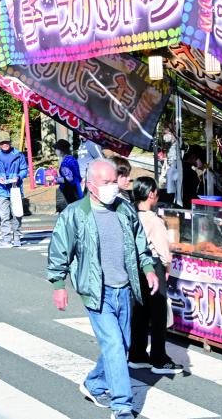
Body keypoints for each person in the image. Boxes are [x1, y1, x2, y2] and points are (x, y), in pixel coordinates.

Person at [47, 158, 159, 418]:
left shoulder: (124, 209)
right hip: (97, 292)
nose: (113, 188)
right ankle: (122, 407)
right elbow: (59, 249)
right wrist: (58, 284)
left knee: (122, 346)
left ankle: (94, 383)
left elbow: (138, 241)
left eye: (114, 181)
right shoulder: (75, 213)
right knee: (114, 346)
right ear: (90, 184)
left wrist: (148, 269)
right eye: (106, 183)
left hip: (124, 289)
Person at [128, 177, 183, 375]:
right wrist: (167, 267)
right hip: (154, 264)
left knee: (140, 311)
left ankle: (137, 354)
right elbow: (163, 250)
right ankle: (159, 358)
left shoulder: (131, 216)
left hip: (137, 267)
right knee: (158, 313)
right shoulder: (154, 220)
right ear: (151, 194)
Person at [0, 132, 28, 249]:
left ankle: (17, 238)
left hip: (15, 189)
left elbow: (24, 170)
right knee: (4, 216)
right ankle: (6, 239)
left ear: (10, 142)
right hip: (2, 190)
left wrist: (19, 177)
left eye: (6, 142)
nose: (5, 144)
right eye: (2, 142)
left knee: (17, 214)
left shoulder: (18, 155)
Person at [55, 139, 83, 211]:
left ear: (61, 150)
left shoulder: (65, 163)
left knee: (69, 212)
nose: (55, 151)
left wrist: (55, 179)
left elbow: (68, 179)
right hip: (77, 187)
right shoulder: (72, 158)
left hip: (69, 191)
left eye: (56, 149)